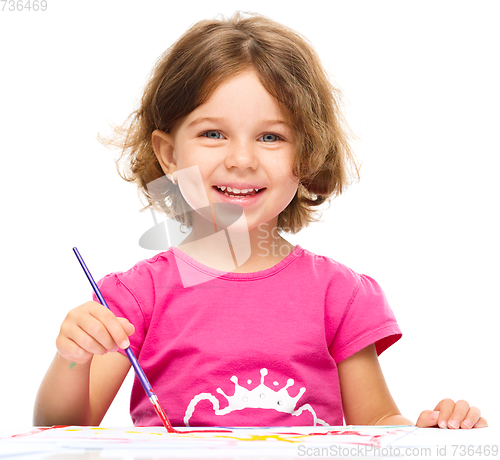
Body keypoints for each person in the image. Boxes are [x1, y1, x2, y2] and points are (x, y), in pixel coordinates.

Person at [34, 12, 487, 430]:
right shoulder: (134, 299)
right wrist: (73, 356)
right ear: (170, 154)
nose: (242, 159)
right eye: (213, 134)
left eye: (271, 136)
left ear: (306, 156)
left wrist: (433, 435)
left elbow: (380, 421)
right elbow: (61, 429)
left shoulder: (339, 295)